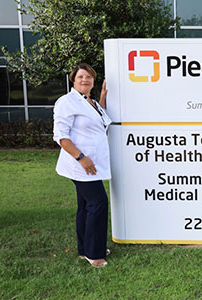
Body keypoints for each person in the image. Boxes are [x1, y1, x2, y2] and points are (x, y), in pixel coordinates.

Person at [53, 63, 112, 267]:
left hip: (92, 163)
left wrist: (102, 98)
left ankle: (84, 248)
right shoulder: (66, 102)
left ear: (93, 81)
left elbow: (99, 121)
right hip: (80, 164)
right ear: (73, 79)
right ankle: (94, 254)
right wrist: (81, 158)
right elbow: (61, 136)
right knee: (98, 203)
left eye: (89, 77)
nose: (85, 80)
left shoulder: (91, 102)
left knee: (86, 205)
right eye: (80, 77)